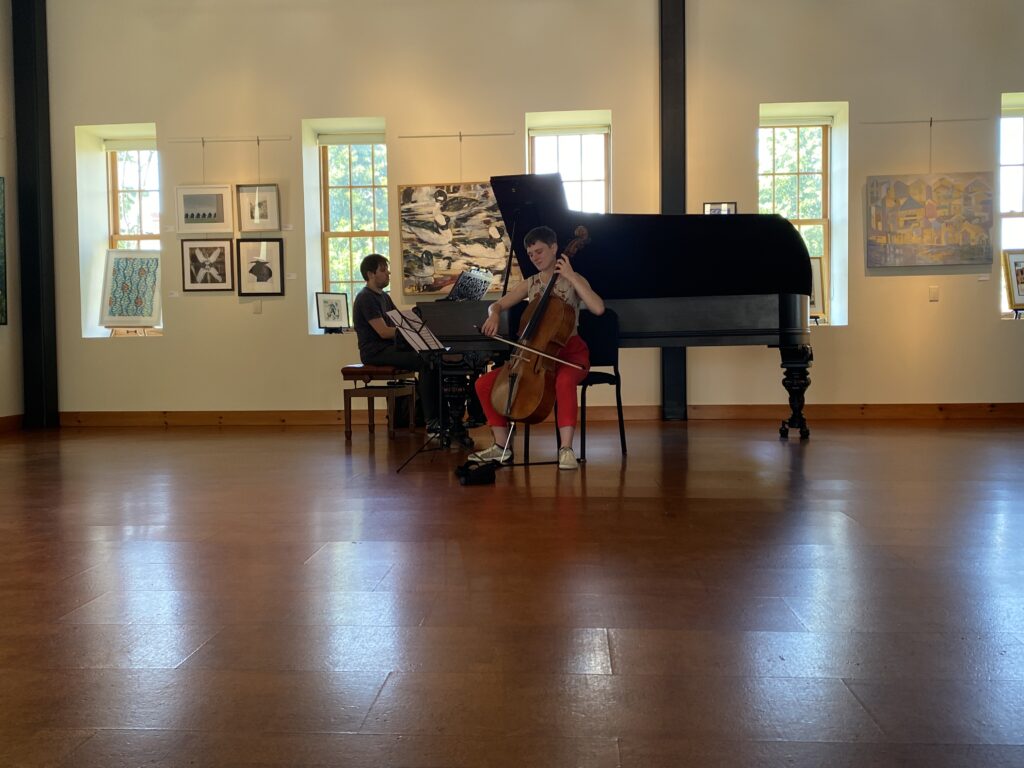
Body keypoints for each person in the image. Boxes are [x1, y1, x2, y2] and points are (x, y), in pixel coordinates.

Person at [469, 226, 604, 470]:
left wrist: (571, 276)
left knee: (564, 382)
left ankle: (566, 449)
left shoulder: (574, 279)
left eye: (539, 251)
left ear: (554, 248)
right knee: (484, 384)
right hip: (535, 357)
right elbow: (496, 305)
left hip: (570, 355)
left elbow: (598, 308)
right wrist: (494, 314)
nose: (535, 258)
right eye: (531, 254)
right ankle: (501, 447)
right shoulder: (531, 283)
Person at [352, 254, 439, 431]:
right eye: (383, 270)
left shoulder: (384, 297)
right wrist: (411, 331)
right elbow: (383, 332)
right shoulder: (365, 298)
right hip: (374, 352)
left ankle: (439, 415)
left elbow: (399, 320)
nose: (388, 273)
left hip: (389, 348)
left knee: (432, 357)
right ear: (370, 274)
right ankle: (432, 420)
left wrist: (418, 317)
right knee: (425, 361)